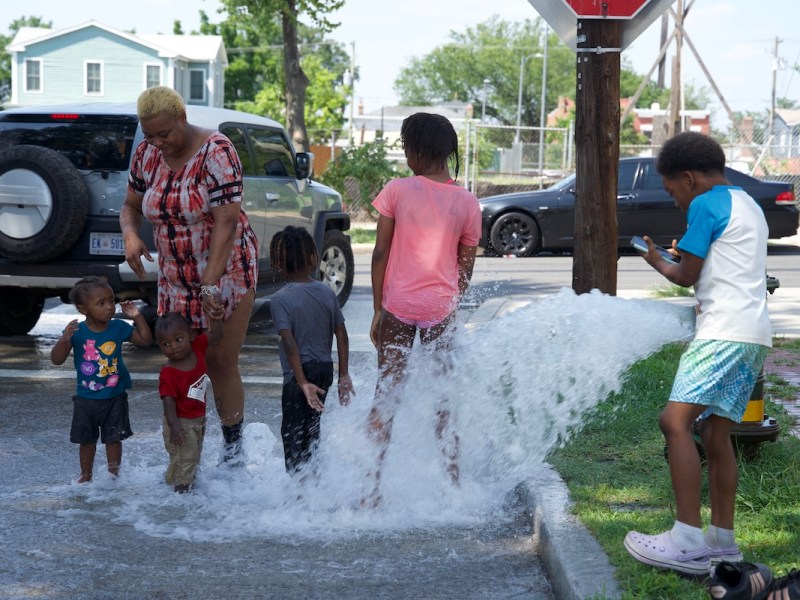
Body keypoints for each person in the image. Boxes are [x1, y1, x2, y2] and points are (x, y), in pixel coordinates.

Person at [624, 132, 772, 575]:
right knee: (715, 433)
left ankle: (686, 539)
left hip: (721, 333)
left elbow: (685, 275)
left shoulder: (706, 204)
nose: (675, 203)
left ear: (689, 178)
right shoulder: (748, 204)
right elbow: (722, 264)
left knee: (674, 421)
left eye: (673, 192)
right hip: (754, 335)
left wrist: (654, 259)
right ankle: (722, 543)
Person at [120, 86, 258, 464]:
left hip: (226, 270)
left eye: (164, 133)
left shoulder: (216, 150)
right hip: (174, 277)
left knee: (218, 363)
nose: (157, 142)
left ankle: (233, 454)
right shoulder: (147, 154)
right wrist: (131, 235)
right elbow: (130, 205)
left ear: (182, 118)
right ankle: (188, 454)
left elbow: (227, 221)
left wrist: (210, 285)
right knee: (183, 363)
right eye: (149, 135)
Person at [362, 112, 482, 507]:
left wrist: (379, 309)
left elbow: (380, 252)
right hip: (439, 308)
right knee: (445, 398)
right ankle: (452, 486)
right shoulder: (467, 202)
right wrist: (450, 304)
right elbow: (465, 266)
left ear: (415, 151)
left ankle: (371, 488)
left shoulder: (397, 190)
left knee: (386, 392)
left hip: (398, 305)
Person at [50, 276, 153, 483]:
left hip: (114, 397)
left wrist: (136, 316)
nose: (109, 307)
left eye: (111, 300)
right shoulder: (77, 331)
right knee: (86, 440)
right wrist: (64, 339)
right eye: (101, 303)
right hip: (86, 399)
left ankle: (113, 475)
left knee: (113, 439)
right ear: (83, 309)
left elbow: (146, 341)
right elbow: (56, 360)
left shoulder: (118, 327)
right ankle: (86, 475)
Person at [268, 226, 354, 474]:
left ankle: (297, 493)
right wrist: (343, 375)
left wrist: (302, 382)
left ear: (279, 263)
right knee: (311, 430)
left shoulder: (280, 299)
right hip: (324, 371)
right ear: (312, 259)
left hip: (299, 376)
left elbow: (289, 343)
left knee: (292, 434)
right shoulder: (326, 291)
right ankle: (314, 484)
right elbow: (341, 333)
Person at [154, 313, 215, 493]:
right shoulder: (169, 372)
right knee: (185, 461)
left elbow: (216, 333)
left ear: (191, 335)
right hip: (180, 423)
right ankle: (181, 496)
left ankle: (174, 485)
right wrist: (174, 426)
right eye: (166, 344)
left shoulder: (198, 348)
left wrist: (216, 316)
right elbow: (168, 400)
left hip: (198, 418)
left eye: (178, 339)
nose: (173, 347)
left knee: (190, 458)